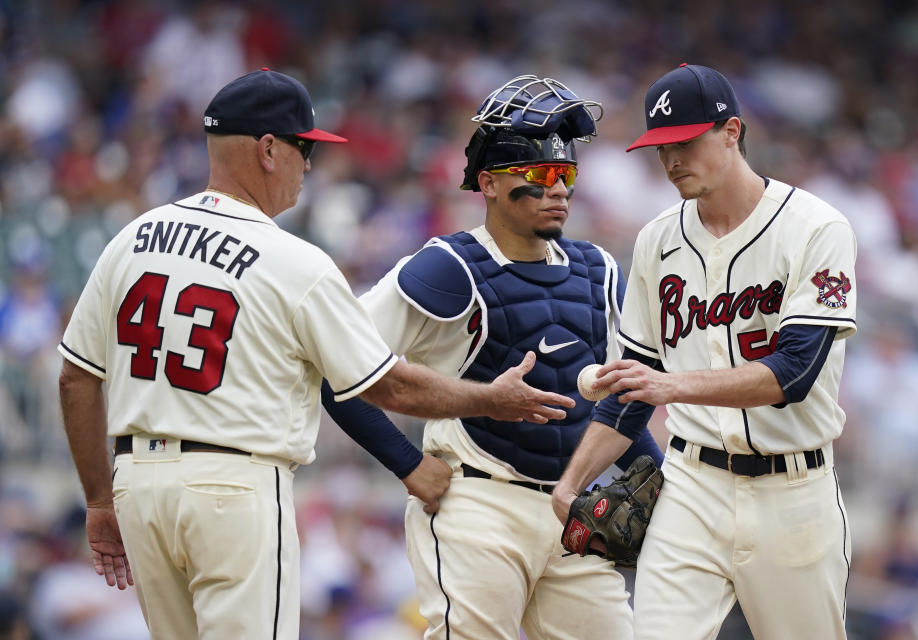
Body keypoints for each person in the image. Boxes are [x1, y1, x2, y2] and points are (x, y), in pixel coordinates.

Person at [56, 68, 575, 640]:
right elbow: (387, 387)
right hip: (234, 484)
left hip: (137, 484)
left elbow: (75, 380)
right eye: (304, 148)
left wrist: (99, 500)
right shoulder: (292, 260)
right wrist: (490, 401)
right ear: (269, 149)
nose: (309, 165)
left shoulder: (133, 238)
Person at [331, 74, 663, 640]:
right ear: (487, 182)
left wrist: (649, 472)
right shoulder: (446, 266)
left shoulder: (599, 269)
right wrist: (407, 465)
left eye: (567, 175)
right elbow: (338, 367)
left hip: (572, 509)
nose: (558, 189)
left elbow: (619, 397)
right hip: (479, 501)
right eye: (538, 175)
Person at [552, 63, 858, 640]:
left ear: (731, 131)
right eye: (659, 146)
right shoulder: (658, 239)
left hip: (794, 491)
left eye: (684, 142)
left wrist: (671, 386)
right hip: (691, 485)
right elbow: (631, 392)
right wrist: (572, 484)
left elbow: (792, 373)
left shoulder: (817, 228)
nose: (671, 161)